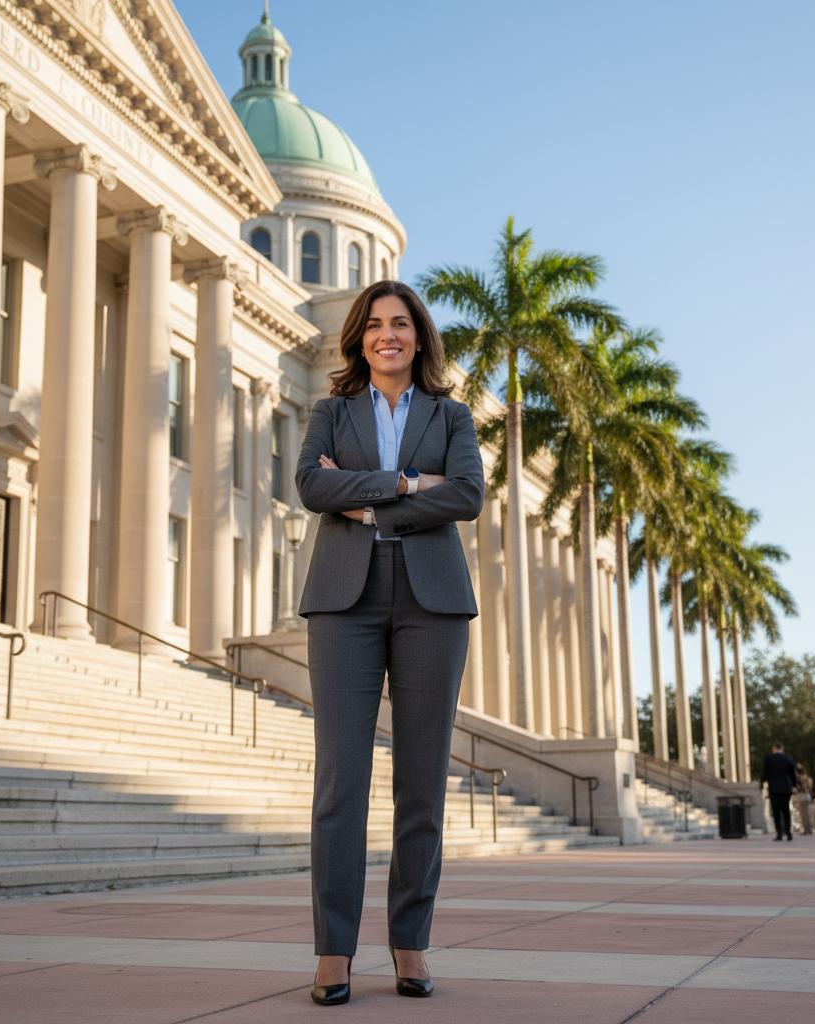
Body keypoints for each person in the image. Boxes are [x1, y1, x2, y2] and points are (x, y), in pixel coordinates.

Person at [295, 280, 484, 1005]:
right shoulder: (331, 410)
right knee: (340, 782)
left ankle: (411, 943)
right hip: (344, 600)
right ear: (360, 337)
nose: (387, 335)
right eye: (375, 324)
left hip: (433, 601)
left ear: (418, 336)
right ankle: (333, 951)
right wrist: (408, 485)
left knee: (422, 783)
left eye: (400, 323)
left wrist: (369, 500)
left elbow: (466, 494)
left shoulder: (451, 414)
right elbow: (312, 486)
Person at [760, 741, 797, 841]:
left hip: (774, 788)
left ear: (774, 748)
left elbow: (765, 772)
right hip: (786, 788)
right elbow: (792, 774)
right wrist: (794, 785)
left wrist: (762, 784)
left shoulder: (769, 758)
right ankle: (788, 832)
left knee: (776, 811)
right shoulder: (788, 759)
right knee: (786, 811)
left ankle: (779, 833)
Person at [793, 765, 814, 835]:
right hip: (807, 796)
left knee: (803, 815)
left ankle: (806, 829)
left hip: (802, 797)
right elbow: (810, 788)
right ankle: (809, 829)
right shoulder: (808, 778)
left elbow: (800, 788)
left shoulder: (800, 779)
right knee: (807, 814)